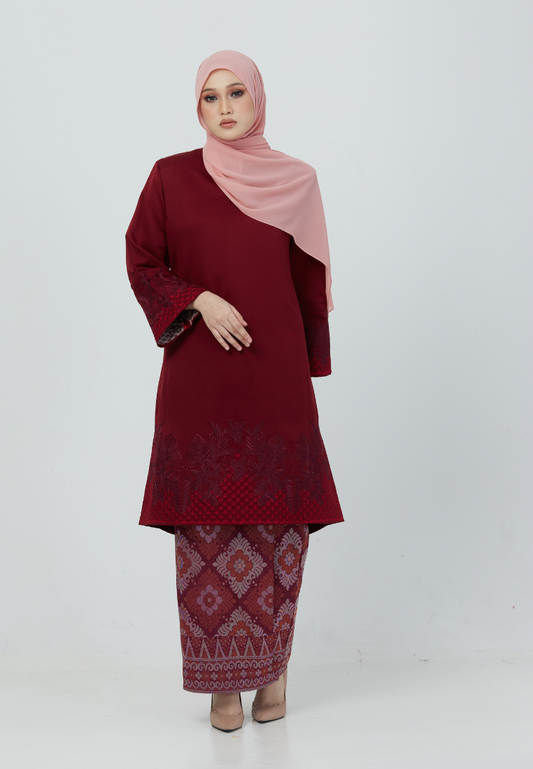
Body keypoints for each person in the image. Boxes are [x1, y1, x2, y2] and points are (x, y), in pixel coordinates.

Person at [125, 50, 344, 732]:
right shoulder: (170, 178)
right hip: (200, 379)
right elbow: (141, 260)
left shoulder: (296, 181)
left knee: (280, 529)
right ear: (197, 106)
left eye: (236, 93)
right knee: (206, 532)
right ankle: (222, 684)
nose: (224, 107)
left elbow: (308, 287)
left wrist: (308, 367)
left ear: (258, 99)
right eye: (210, 97)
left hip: (274, 379)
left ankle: (273, 671)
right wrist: (198, 298)